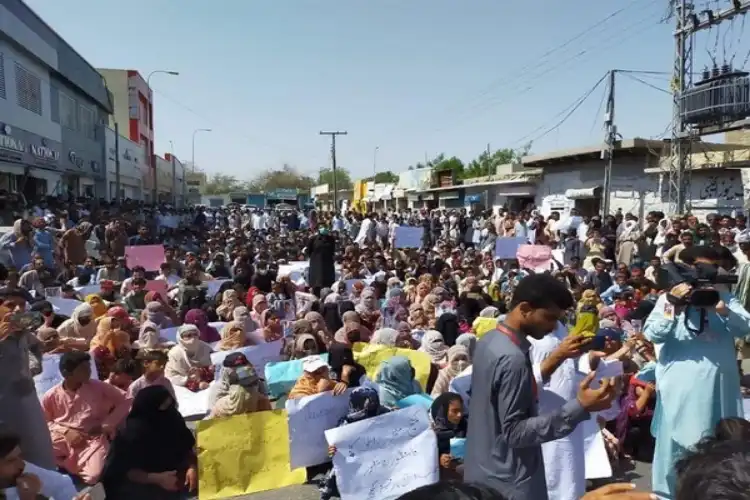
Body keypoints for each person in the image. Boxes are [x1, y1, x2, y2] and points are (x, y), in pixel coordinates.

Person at [464, 273, 618, 500]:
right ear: (525, 308)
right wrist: (580, 407)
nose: (553, 326)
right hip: (509, 481)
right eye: (548, 317)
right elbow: (515, 433)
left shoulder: (491, 341)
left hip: (485, 468)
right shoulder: (512, 357)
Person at [644, 245, 750, 499]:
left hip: (719, 389)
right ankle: (668, 494)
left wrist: (720, 308)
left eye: (710, 268)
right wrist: (673, 305)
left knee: (721, 443)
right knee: (674, 448)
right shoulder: (669, 297)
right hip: (680, 388)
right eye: (697, 267)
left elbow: (745, 326)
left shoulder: (727, 297)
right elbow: (652, 333)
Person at [41, 351, 130, 484]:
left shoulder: (98, 386)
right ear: (67, 373)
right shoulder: (51, 395)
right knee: (39, 451)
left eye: (88, 366)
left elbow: (126, 400)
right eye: (83, 369)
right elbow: (45, 421)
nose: (89, 371)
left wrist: (105, 425)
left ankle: (70, 464)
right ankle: (72, 463)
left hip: (91, 439)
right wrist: (67, 432)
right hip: (63, 438)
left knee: (93, 476)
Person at [100, 386, 197, 500]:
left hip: (173, 473)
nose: (168, 410)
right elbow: (122, 471)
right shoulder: (131, 435)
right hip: (144, 480)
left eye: (169, 405)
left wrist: (192, 467)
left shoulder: (173, 418)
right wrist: (158, 479)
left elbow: (186, 445)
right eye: (162, 407)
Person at [0, 302, 55, 470]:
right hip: (4, 402)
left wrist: (33, 366)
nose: (14, 321)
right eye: (9, 318)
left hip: (27, 399)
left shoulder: (23, 334)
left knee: (37, 444)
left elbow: (37, 345)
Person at [321, 387, 389, 500]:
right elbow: (336, 447)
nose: (370, 405)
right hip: (357, 466)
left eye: (373, 402)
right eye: (367, 402)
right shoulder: (347, 423)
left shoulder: (388, 415)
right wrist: (333, 450)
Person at [0, 426, 80, 500]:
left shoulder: (19, 469)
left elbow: (61, 484)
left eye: (19, 456)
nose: (22, 465)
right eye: (10, 461)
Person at [165, 324, 214, 392]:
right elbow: (172, 376)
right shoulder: (175, 354)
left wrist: (202, 372)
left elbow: (213, 366)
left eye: (195, 334)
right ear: (181, 338)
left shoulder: (205, 347)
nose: (193, 338)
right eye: (188, 336)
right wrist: (190, 380)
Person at [430, 392, 467, 481]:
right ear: (443, 411)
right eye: (455, 411)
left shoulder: (467, 428)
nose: (459, 415)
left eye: (461, 411)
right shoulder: (430, 436)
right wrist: (439, 459)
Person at [306, 226, 336, 294]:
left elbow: (332, 250)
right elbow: (308, 251)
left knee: (327, 283)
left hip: (328, 264)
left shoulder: (331, 239)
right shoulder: (313, 239)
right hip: (316, 264)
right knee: (317, 283)